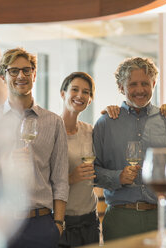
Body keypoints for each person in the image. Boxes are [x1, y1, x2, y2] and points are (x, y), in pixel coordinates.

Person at [0, 48, 69, 248]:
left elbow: (61, 179)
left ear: (34, 75)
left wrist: (58, 224)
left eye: (27, 70)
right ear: (3, 76)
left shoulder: (54, 122)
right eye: (13, 71)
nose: (21, 76)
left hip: (41, 225)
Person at [93, 57, 166, 241]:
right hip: (121, 221)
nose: (140, 90)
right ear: (120, 86)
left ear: (154, 83)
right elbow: (92, 171)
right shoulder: (105, 123)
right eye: (132, 84)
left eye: (145, 83)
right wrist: (117, 177)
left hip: (164, 217)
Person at [58, 72, 100, 247]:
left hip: (90, 221)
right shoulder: (51, 131)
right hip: (62, 222)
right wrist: (70, 178)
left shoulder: (91, 131)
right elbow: (39, 179)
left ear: (90, 99)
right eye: (74, 89)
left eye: (86, 92)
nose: (80, 95)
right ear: (63, 93)